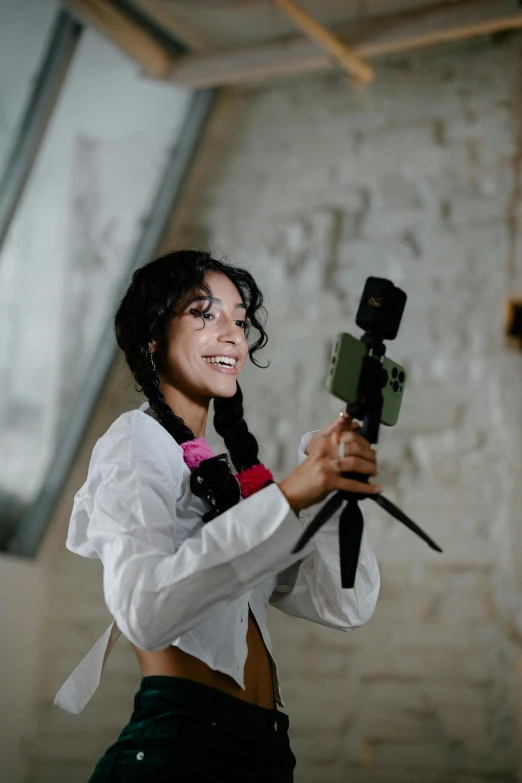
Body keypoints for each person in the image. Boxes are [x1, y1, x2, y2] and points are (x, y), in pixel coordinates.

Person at [54, 250, 381, 783]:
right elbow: (144, 610)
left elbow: (344, 603)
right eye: (205, 313)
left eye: (240, 319)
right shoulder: (135, 443)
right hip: (182, 749)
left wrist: (329, 488)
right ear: (152, 337)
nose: (233, 334)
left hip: (264, 750)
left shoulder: (228, 486)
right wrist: (294, 493)